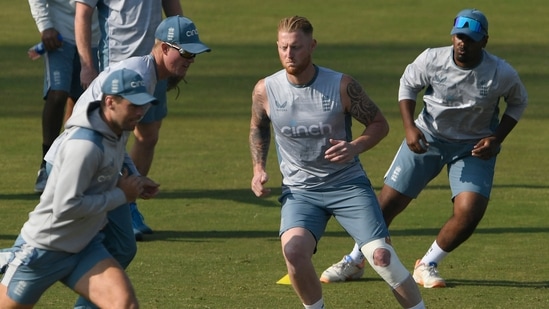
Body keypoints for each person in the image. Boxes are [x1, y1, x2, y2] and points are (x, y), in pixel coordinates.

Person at [320, 8, 528, 288]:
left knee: (470, 212)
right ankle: (355, 260)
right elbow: (408, 86)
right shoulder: (432, 59)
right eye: (458, 37)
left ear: (484, 41)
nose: (462, 43)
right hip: (428, 138)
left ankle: (427, 264)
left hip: (473, 147)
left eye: (470, 38)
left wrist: (497, 137)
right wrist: (410, 128)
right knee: (385, 206)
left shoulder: (501, 73)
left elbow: (518, 101)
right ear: (452, 37)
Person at [249, 16, 425, 309]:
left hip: (347, 186)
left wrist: (354, 147)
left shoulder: (341, 85)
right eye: (283, 48)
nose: (289, 55)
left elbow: (379, 124)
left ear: (312, 46)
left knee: (382, 257)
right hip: (300, 192)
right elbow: (258, 126)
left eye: (296, 47)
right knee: (293, 251)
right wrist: (258, 169)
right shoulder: (265, 90)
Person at [43, 15, 209, 309]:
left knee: (121, 246)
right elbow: (92, 127)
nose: (190, 60)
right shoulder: (136, 74)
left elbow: (118, 138)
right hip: (76, 165)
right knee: (56, 248)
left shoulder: (147, 77)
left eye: (194, 55)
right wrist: (120, 175)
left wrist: (134, 175)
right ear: (164, 48)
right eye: (185, 53)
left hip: (101, 169)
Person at [0, 69, 158, 308]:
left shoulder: (114, 133)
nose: (140, 112)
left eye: (143, 105)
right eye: (133, 105)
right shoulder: (84, 146)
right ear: (110, 102)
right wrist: (121, 195)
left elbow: (104, 173)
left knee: (123, 303)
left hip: (85, 247)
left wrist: (134, 181)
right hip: (43, 249)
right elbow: (66, 207)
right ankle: (13, 255)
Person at [75, 0, 184, 237]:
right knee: (115, 137)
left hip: (157, 61)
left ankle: (128, 203)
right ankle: (111, 207)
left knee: (148, 136)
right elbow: (83, 13)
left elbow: (172, 6)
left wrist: (182, 49)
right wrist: (86, 65)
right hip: (118, 63)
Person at [28, 0, 100, 193]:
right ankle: (46, 166)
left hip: (95, 36)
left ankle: (69, 165)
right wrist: (46, 26)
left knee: (84, 102)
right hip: (60, 32)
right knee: (58, 94)